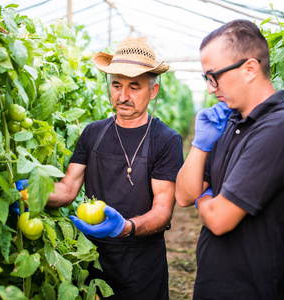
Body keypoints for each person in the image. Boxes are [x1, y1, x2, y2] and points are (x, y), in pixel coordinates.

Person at [175, 19, 284, 299]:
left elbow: (218, 219)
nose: (211, 88)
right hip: (212, 284)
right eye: (207, 79)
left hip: (253, 289)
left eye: (214, 76)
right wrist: (200, 144)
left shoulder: (282, 128)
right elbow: (184, 195)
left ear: (250, 68)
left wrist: (208, 198)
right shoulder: (230, 123)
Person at [47, 36, 183, 300]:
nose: (123, 96)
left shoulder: (166, 140)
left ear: (152, 91)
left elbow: (163, 210)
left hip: (142, 264)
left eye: (134, 87)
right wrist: (32, 192)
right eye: (117, 85)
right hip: (92, 258)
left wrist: (125, 227)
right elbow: (67, 189)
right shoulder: (93, 133)